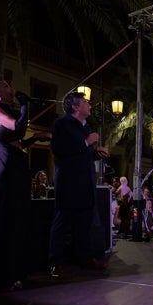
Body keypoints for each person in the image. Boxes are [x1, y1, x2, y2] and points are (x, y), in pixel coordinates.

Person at [0, 78, 38, 292]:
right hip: (4, 160)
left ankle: (17, 272)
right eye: (5, 86)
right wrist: (25, 105)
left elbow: (19, 138)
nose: (11, 88)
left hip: (16, 158)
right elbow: (17, 127)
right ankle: (1, 275)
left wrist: (36, 139)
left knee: (19, 216)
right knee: (5, 215)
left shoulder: (4, 108)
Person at [48, 91, 109, 279]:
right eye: (85, 102)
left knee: (84, 225)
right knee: (62, 225)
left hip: (86, 184)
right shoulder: (61, 124)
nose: (89, 105)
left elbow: (83, 154)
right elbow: (60, 150)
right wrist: (86, 142)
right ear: (75, 107)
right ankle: (55, 263)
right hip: (69, 184)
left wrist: (96, 153)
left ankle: (86, 258)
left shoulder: (85, 126)